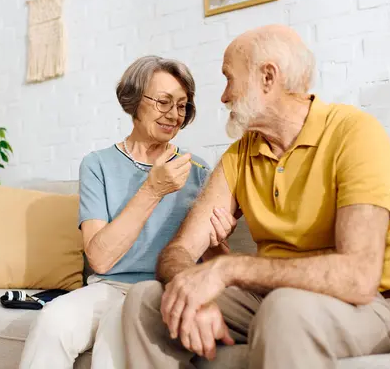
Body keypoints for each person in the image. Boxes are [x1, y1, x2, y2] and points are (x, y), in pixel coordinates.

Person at [122, 25, 390, 368]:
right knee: (148, 300)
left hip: (364, 306)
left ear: (268, 77)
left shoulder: (355, 133)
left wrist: (229, 269)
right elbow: (179, 250)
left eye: (229, 78)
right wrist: (191, 292)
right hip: (268, 299)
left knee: (286, 309)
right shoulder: (240, 155)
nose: (223, 96)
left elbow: (358, 277)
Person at [19, 55, 237, 369]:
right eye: (163, 102)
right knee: (52, 321)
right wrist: (152, 190)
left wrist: (217, 239)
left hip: (160, 291)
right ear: (134, 100)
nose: (173, 115)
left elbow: (211, 264)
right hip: (107, 287)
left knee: (115, 330)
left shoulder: (198, 170)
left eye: (181, 105)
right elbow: (100, 259)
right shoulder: (98, 165)